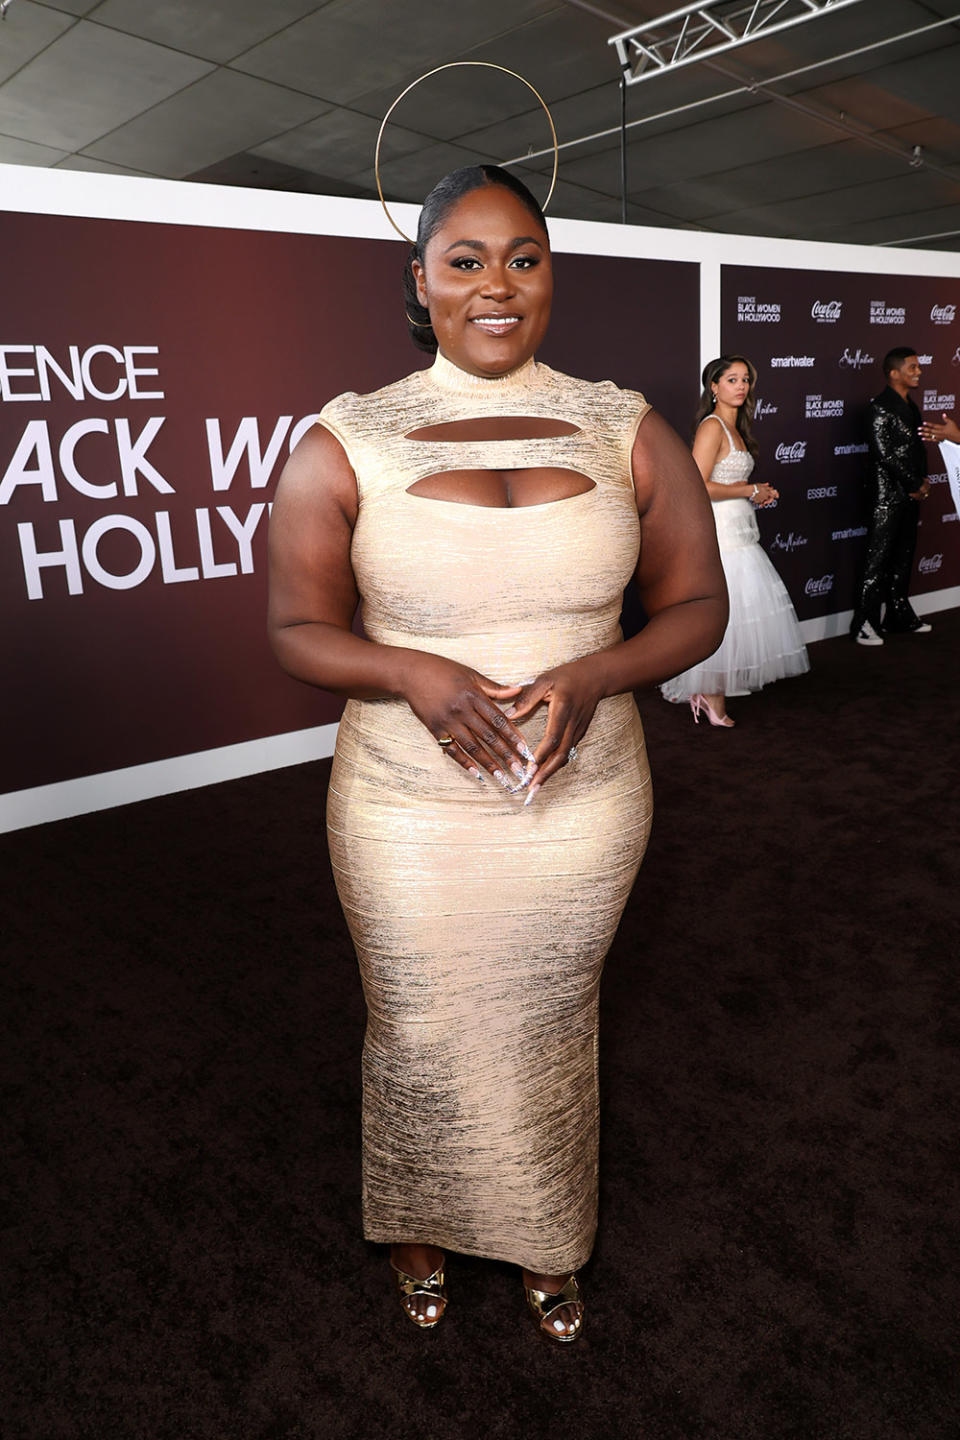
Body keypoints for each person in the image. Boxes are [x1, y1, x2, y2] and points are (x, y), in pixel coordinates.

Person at [267, 164, 727, 1343]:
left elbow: (694, 608)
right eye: (464, 261)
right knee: (420, 1020)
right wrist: (410, 669)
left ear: (551, 274)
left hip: (584, 798)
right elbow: (297, 629)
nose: (497, 286)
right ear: (419, 281)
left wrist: (598, 671)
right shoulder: (346, 436)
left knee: (550, 1014)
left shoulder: (627, 423)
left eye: (523, 257)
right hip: (407, 806)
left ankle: (542, 1235)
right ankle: (417, 1226)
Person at [660, 355, 809, 726]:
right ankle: (710, 693)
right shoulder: (713, 426)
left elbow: (727, 485)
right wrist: (749, 488)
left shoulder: (735, 427)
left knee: (739, 609)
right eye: (731, 379)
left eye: (745, 380)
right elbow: (696, 483)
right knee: (724, 610)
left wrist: (753, 493)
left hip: (738, 527)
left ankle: (713, 690)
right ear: (713, 386)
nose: (741, 386)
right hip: (721, 534)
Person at [850, 347, 933, 645]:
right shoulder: (880, 408)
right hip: (886, 496)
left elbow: (914, 449)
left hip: (909, 493)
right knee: (877, 560)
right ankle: (864, 623)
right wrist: (914, 482)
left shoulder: (910, 405)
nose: (918, 372)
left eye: (918, 367)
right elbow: (884, 454)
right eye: (912, 367)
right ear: (894, 373)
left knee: (903, 556)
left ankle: (898, 615)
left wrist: (922, 481)